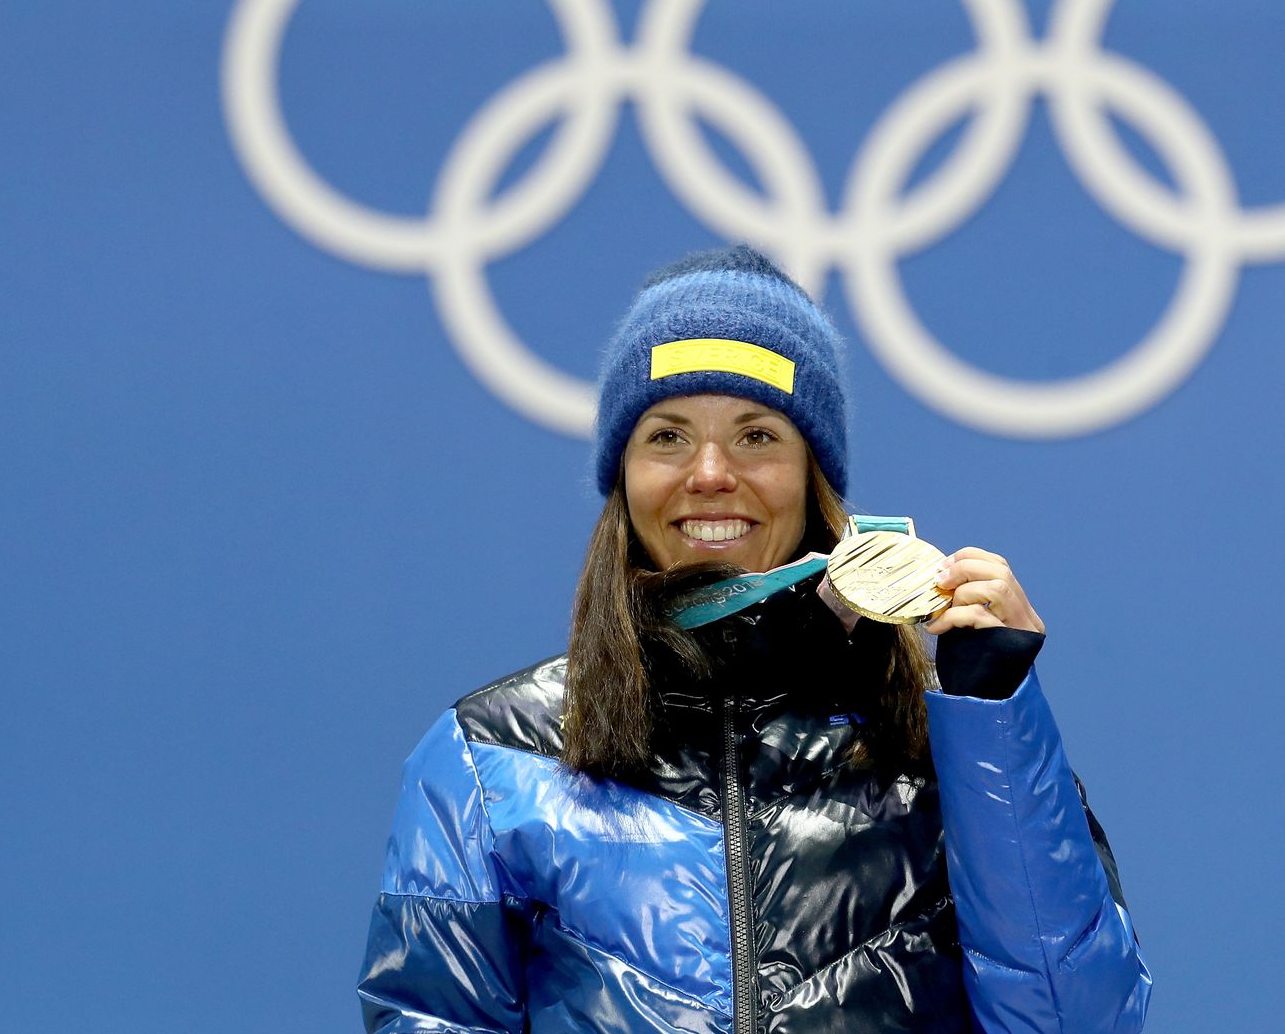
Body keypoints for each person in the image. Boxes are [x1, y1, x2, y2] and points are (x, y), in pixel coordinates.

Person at [358, 246, 1152, 1032]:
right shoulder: (490, 756)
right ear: (622, 478)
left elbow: (1077, 1021)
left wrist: (993, 724)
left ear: (814, 478)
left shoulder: (937, 749)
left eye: (757, 435)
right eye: (666, 436)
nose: (709, 473)